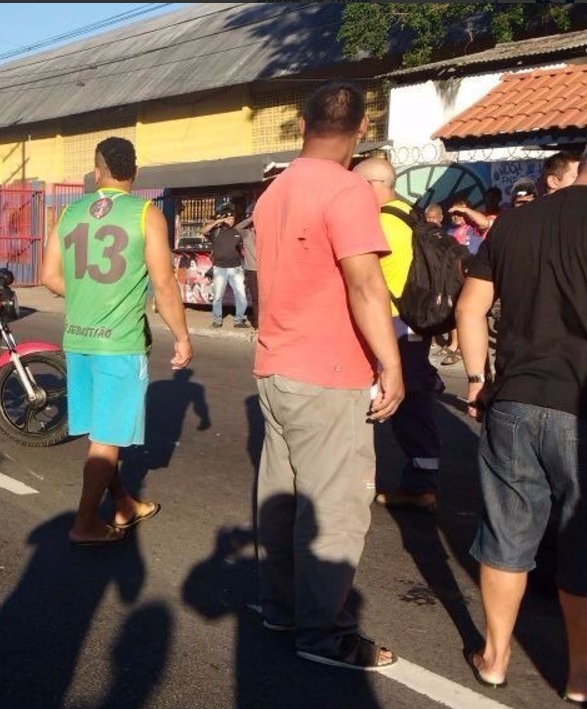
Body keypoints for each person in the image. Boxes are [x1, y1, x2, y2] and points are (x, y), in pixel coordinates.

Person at [251, 81, 403, 671]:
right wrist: (390, 364)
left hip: (275, 365)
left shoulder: (275, 191)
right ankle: (324, 635)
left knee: (283, 500)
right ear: (362, 128)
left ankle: (282, 608)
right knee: (335, 510)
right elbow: (365, 284)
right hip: (330, 371)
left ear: (301, 122)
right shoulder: (347, 190)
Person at [455, 146, 587, 701]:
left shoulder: (513, 225)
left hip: (514, 399)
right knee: (582, 543)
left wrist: (475, 378)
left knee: (507, 536)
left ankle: (494, 657)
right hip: (581, 406)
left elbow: (469, 309)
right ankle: (579, 676)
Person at [41, 136, 193, 546]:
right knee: (107, 440)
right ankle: (84, 522)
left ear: (96, 172)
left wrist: (88, 297)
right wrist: (182, 336)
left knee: (101, 434)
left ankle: (124, 503)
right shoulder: (146, 213)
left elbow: (49, 276)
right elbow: (163, 285)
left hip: (78, 340)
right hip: (119, 343)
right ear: (135, 173)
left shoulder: (70, 212)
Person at [353, 157, 444, 512]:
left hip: (392, 326)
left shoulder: (381, 224)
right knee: (412, 404)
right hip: (414, 325)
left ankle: (417, 485)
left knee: (385, 403)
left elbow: (361, 279)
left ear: (371, 185)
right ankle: (422, 479)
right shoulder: (410, 214)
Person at [201, 202, 250, 328]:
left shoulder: (237, 231)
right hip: (220, 268)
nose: (231, 220)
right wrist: (219, 221)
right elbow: (202, 230)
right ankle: (217, 320)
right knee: (217, 296)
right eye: (229, 218)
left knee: (241, 296)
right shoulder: (215, 232)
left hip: (236, 269)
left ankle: (238, 320)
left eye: (232, 218)